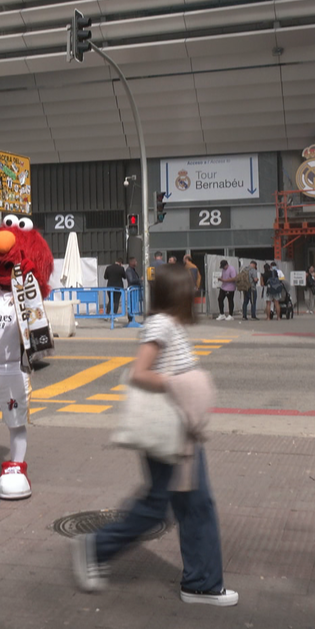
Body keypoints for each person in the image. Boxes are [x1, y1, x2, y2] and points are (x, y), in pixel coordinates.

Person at [70, 265, 237, 607]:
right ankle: (99, 548)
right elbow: (140, 372)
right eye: (189, 287)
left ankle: (201, 581)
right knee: (171, 506)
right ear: (177, 292)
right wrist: (181, 383)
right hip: (169, 434)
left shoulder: (168, 323)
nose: (194, 292)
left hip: (178, 431)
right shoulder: (161, 323)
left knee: (183, 505)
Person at [125, 257, 142, 322]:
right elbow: (131, 280)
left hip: (134, 290)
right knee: (132, 305)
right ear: (131, 262)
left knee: (134, 305)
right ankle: (131, 319)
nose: (136, 263)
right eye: (135, 261)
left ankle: (132, 318)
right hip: (132, 290)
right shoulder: (129, 270)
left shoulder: (133, 270)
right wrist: (140, 279)